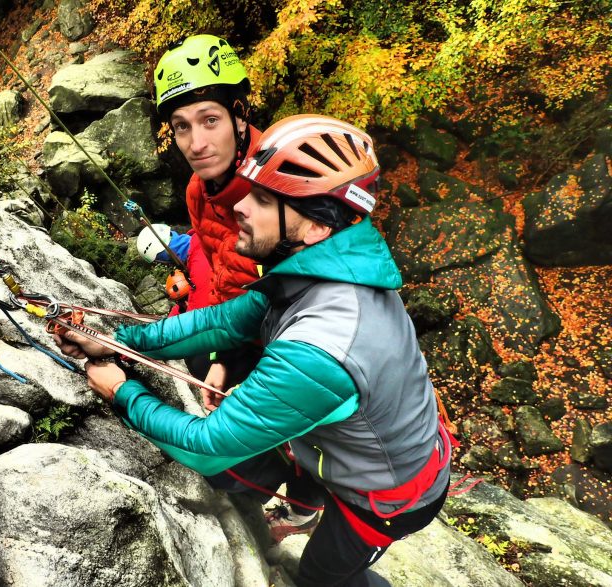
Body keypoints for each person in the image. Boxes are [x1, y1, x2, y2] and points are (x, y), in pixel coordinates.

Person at [55, 114, 451, 587]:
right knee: (292, 463)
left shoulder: (321, 345)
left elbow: (207, 449)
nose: (240, 205)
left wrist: (123, 391)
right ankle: (305, 506)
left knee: (322, 578)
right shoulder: (318, 272)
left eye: (263, 198)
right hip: (358, 444)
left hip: (388, 498)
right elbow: (222, 322)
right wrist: (117, 340)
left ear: (316, 228)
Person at [152, 34, 263, 399]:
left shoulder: (282, 186)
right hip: (247, 328)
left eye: (210, 120)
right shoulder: (198, 192)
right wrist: (223, 359)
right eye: (182, 126)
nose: (195, 144)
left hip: (297, 340)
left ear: (240, 117)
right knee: (200, 361)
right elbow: (224, 277)